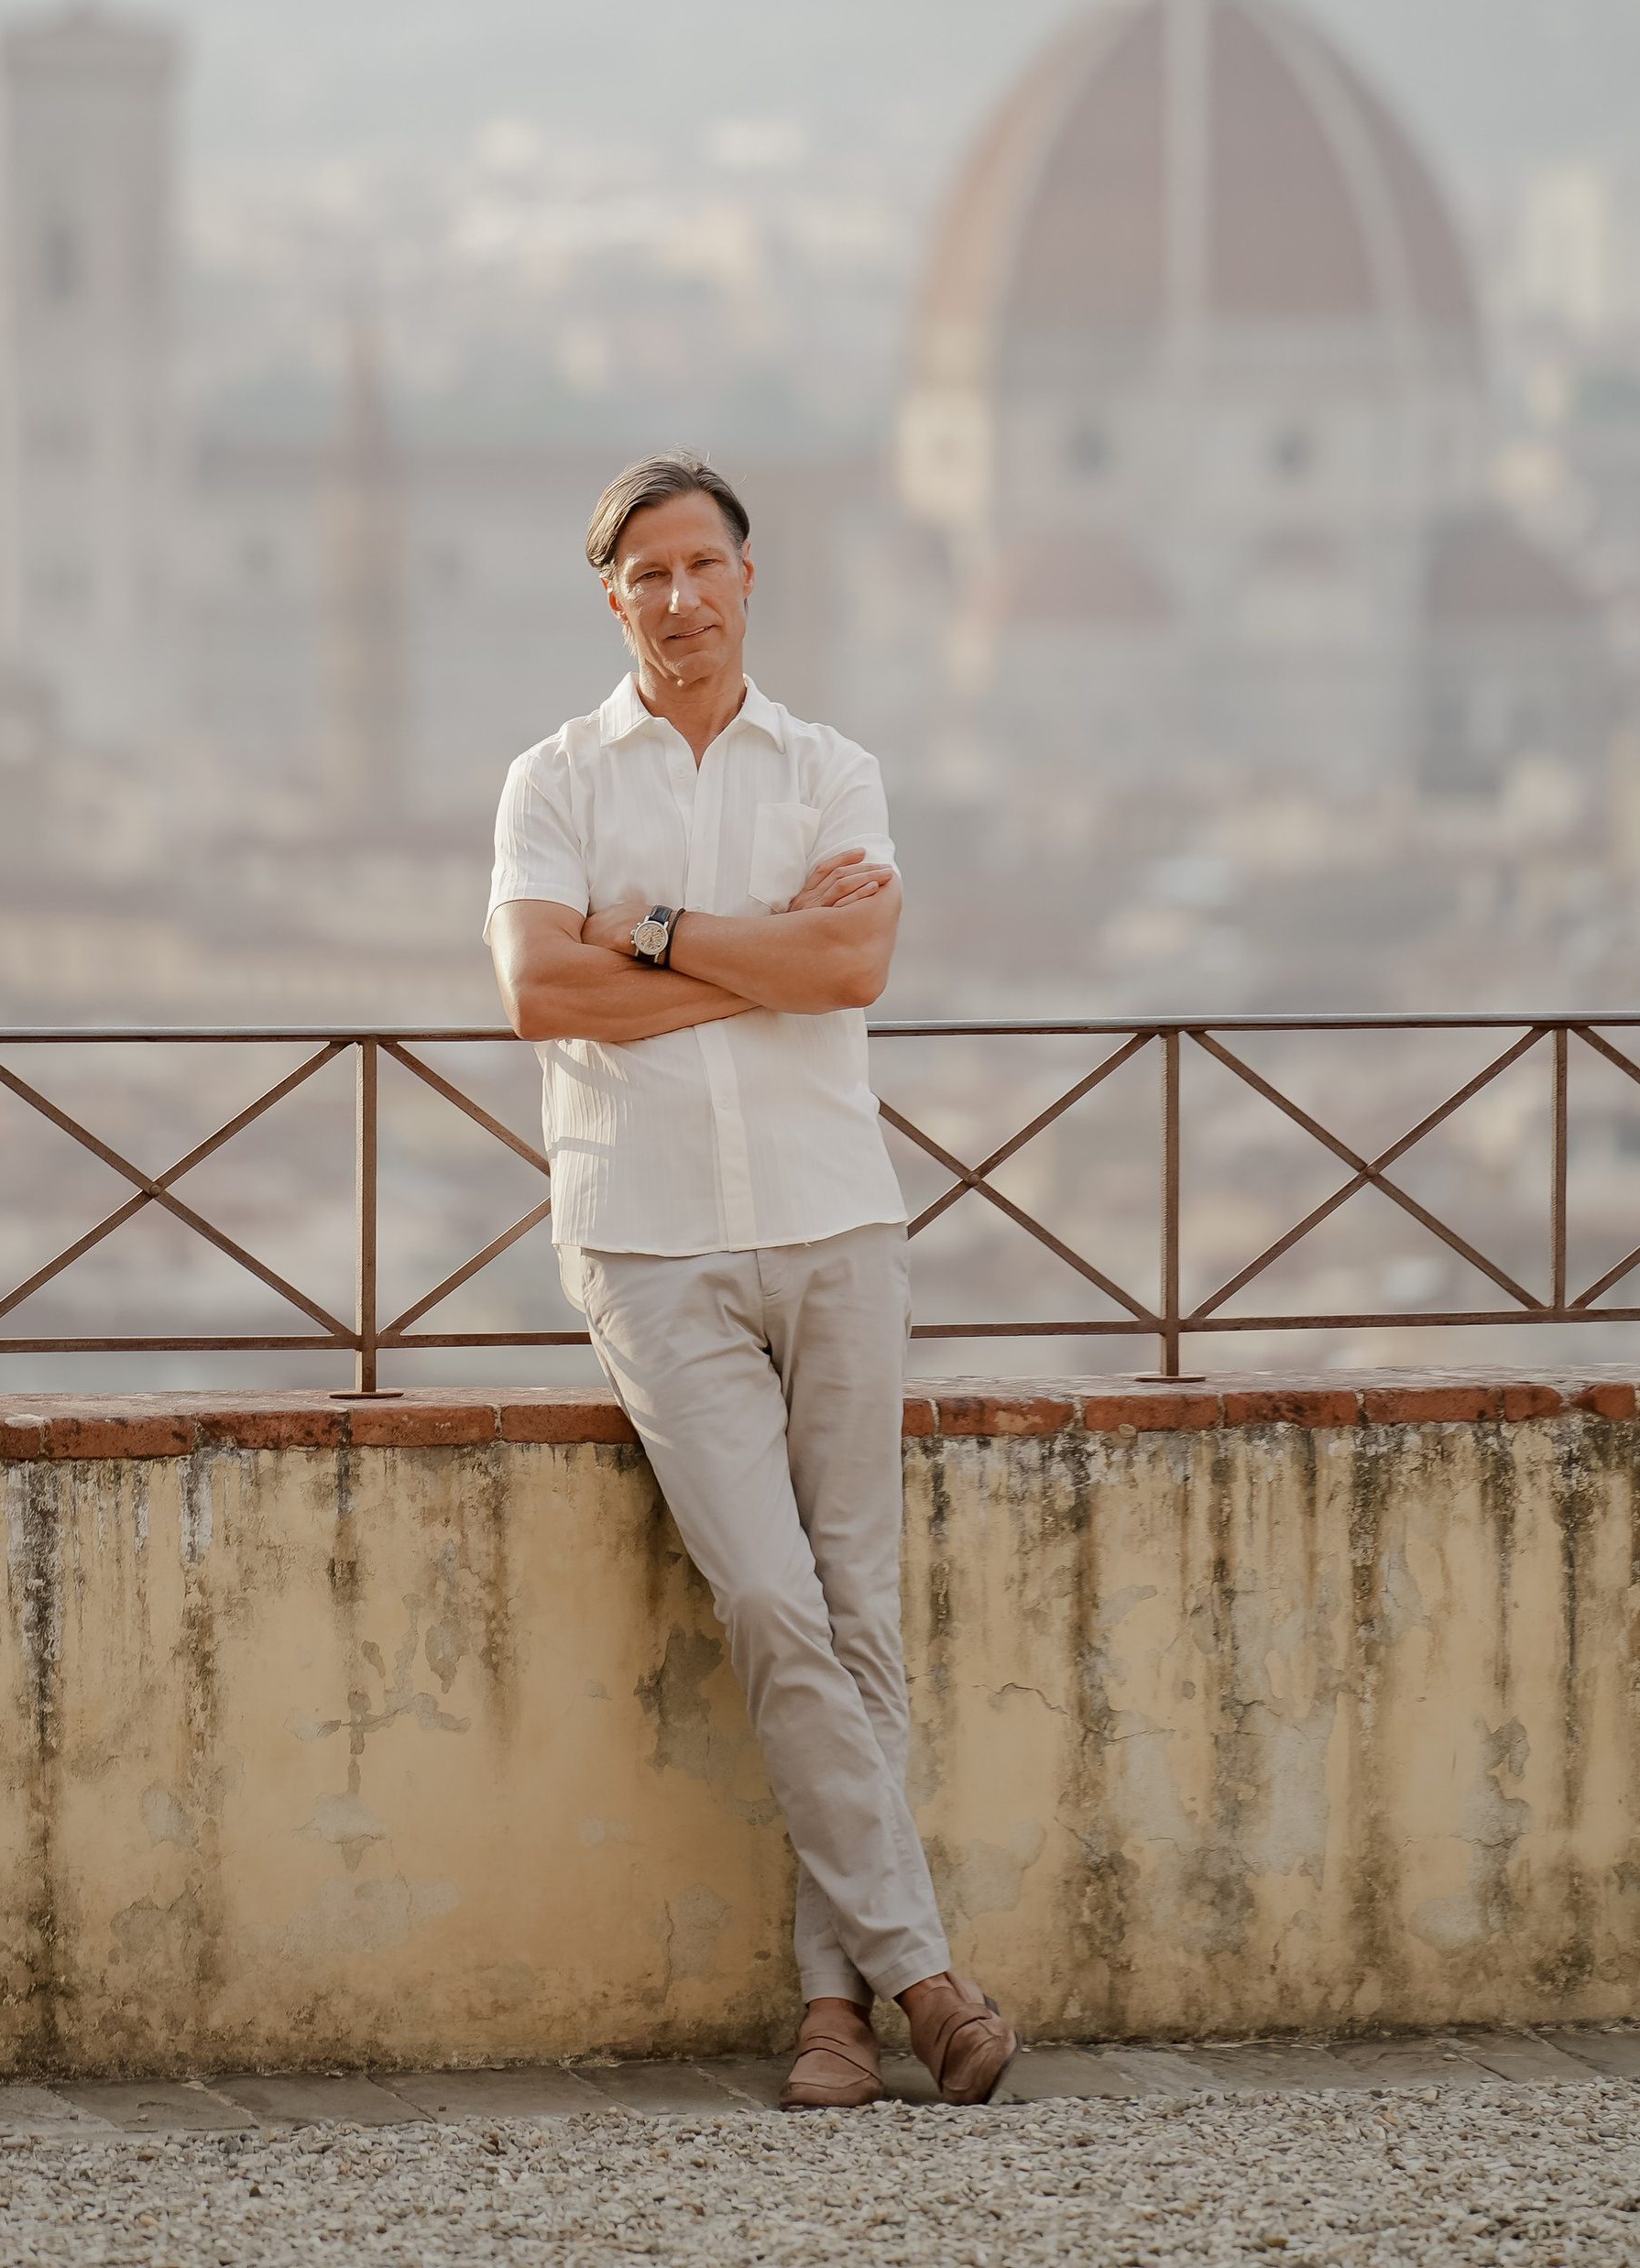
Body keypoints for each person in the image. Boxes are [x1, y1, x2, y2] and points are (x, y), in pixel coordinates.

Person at [486, 450, 1017, 2111]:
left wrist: (647, 935)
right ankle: (926, 1971)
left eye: (703, 564)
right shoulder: (552, 781)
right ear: (613, 597)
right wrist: (747, 953)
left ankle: (834, 2016)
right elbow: (532, 993)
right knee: (775, 1601)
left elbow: (850, 963)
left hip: (832, 1220)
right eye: (647, 573)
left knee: (858, 1618)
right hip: (648, 1239)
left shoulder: (831, 769)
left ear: (748, 577)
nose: (681, 597)